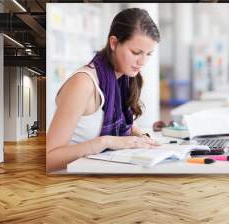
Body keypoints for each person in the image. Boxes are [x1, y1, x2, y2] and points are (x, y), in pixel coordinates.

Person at [46, 8, 161, 171]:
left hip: (99, 176)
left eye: (149, 54)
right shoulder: (83, 83)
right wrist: (106, 142)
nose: (142, 62)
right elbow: (49, 158)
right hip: (69, 185)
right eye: (136, 52)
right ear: (114, 43)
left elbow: (124, 123)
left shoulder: (124, 78)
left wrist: (140, 136)